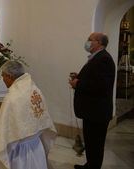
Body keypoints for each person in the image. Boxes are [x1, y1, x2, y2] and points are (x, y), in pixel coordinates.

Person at [0, 60, 57, 169]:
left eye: (3, 76)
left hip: (19, 152)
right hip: (36, 144)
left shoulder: (12, 98)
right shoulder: (34, 89)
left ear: (10, 76)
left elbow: (4, 133)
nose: (3, 79)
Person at [69, 32, 116, 169]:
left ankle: (93, 166)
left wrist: (78, 84)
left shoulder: (104, 59)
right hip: (92, 111)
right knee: (90, 143)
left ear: (99, 43)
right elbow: (95, 79)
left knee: (95, 144)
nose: (87, 42)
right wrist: (79, 77)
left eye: (90, 40)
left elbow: (102, 87)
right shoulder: (97, 58)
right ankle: (90, 165)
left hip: (97, 112)